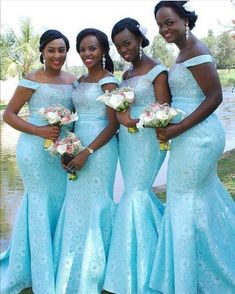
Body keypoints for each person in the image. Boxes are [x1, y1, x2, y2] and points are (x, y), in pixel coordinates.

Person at [149, 2, 235, 293]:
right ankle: (206, 263)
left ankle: (190, 278)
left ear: (186, 20)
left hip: (198, 137)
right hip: (189, 135)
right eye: (160, 25)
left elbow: (214, 97)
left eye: (170, 22)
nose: (165, 29)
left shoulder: (196, 51)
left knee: (182, 199)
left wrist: (176, 129)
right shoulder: (184, 52)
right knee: (199, 197)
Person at [0, 30, 76, 294]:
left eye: (62, 50)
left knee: (60, 200)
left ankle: (57, 263)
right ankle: (34, 269)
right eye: (52, 50)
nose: (57, 55)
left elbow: (75, 117)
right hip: (34, 150)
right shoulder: (31, 79)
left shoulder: (72, 80)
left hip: (62, 150)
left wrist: (71, 147)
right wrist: (40, 131)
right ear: (43, 52)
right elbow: (8, 115)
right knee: (39, 200)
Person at [103, 18, 171, 294]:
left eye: (127, 43)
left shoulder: (158, 71)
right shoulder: (126, 75)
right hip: (127, 144)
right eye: (118, 46)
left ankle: (144, 269)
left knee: (135, 193)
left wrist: (131, 121)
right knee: (134, 193)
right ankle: (145, 260)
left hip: (147, 141)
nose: (123, 50)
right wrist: (123, 119)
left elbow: (163, 112)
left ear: (141, 39)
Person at [52, 28, 119, 294]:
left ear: (102, 50)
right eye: (82, 49)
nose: (86, 54)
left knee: (96, 203)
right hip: (78, 142)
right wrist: (67, 149)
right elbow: (73, 118)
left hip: (100, 149)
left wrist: (86, 152)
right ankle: (71, 266)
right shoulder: (79, 81)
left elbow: (113, 125)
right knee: (76, 204)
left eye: (92, 48)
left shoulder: (109, 82)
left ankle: (96, 272)